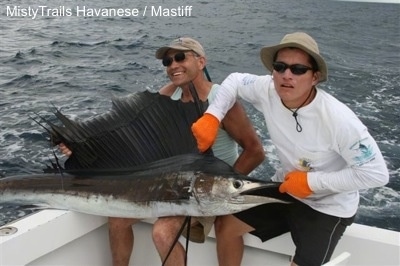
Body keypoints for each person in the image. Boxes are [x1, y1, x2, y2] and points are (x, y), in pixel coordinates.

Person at [60, 37, 265, 266]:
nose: (173, 65)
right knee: (117, 219)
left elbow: (255, 151)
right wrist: (82, 149)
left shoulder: (221, 100)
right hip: (169, 184)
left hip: (207, 192)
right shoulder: (167, 95)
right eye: (167, 61)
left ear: (201, 61)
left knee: (163, 232)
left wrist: (220, 186)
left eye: (180, 57)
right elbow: (137, 138)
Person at [191, 32, 389, 266]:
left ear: (314, 77)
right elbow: (234, 80)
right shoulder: (267, 89)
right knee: (226, 225)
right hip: (286, 188)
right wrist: (212, 116)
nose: (287, 75)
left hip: (328, 206)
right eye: (280, 66)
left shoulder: (339, 120)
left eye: (298, 69)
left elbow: (376, 174)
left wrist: (311, 183)